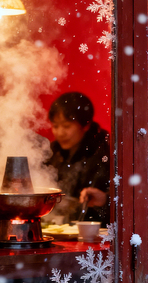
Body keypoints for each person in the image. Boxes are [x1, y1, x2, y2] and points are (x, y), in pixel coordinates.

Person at [47, 92, 110, 223]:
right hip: (54, 224)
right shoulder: (52, 152)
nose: (60, 133)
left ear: (86, 125)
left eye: (66, 126)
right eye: (55, 126)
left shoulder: (102, 152)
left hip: (91, 226)